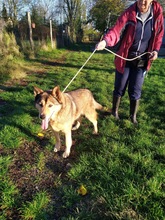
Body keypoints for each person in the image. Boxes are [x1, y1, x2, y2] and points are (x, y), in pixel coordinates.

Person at [96, 0, 164, 123]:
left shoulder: (157, 14)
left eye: (145, 0)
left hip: (143, 59)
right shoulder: (129, 13)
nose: (142, 2)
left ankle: (133, 117)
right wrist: (105, 41)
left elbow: (159, 35)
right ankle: (114, 112)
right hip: (125, 57)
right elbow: (116, 30)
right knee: (120, 86)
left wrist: (155, 50)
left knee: (135, 89)